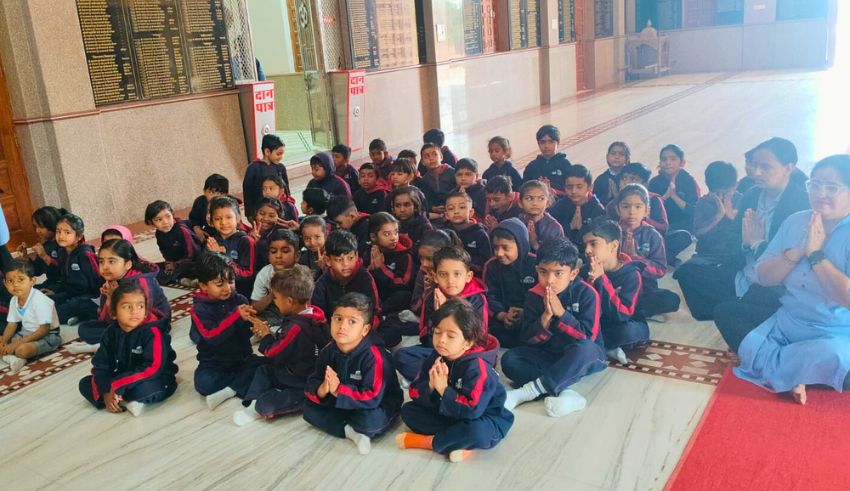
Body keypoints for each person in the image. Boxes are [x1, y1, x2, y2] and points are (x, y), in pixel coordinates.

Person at [735, 154, 850, 405]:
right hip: (787, 323)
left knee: (837, 357)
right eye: (815, 185)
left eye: (831, 187)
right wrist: (795, 253)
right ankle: (800, 371)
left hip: (837, 334)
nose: (820, 193)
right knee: (726, 313)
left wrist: (816, 255)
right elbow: (763, 277)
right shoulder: (796, 221)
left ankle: (781, 368)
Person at [712, 138, 810, 347]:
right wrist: (745, 244)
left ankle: (765, 340)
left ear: (789, 168)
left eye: (766, 167)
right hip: (744, 270)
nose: (756, 173)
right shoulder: (752, 194)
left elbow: (790, 261)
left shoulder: (801, 205)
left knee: (726, 312)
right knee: (689, 273)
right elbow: (732, 237)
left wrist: (757, 243)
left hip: (775, 283)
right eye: (754, 165)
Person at [397, 299, 513, 463]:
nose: (441, 340)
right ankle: (459, 441)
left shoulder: (477, 368)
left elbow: (473, 410)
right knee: (408, 411)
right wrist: (430, 387)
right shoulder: (436, 357)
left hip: (483, 418)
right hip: (450, 414)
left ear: (468, 342)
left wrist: (444, 389)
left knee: (477, 432)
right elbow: (415, 391)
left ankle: (431, 442)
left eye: (451, 336)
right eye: (437, 332)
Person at [501, 238, 605, 418]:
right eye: (543, 272)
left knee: (587, 349)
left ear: (573, 273)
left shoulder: (587, 294)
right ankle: (566, 391)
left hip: (580, 354)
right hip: (550, 353)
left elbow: (588, 337)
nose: (549, 280)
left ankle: (527, 392)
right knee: (510, 360)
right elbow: (527, 338)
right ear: (537, 270)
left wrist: (561, 314)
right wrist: (546, 317)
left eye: (558, 273)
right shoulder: (534, 295)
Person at [303, 292, 403, 455]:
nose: (342, 326)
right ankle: (350, 432)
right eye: (338, 319)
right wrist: (323, 388)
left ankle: (345, 424)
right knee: (308, 410)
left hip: (377, 403)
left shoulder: (374, 356)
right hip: (343, 400)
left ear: (365, 329)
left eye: (352, 321)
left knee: (370, 421)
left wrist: (338, 390)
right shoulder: (328, 350)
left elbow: (373, 396)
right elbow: (313, 380)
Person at [234, 265, 331, 425]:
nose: (274, 301)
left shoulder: (296, 327)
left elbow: (272, 352)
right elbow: (287, 343)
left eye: (276, 298)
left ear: (290, 301)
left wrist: (266, 335)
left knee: (266, 404)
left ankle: (259, 406)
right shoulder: (314, 314)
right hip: (293, 370)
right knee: (264, 370)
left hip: (301, 382)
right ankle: (251, 405)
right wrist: (270, 333)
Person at [78, 280, 178, 417]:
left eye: (140, 306)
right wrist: (105, 391)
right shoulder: (111, 332)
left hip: (154, 377)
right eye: (126, 307)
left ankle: (121, 399)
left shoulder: (153, 332)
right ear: (113, 312)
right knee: (85, 384)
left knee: (145, 390)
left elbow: (152, 368)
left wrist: (118, 385)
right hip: (126, 374)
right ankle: (118, 399)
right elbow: (101, 365)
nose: (134, 311)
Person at [393, 247, 492, 382]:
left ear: (468, 276)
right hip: (441, 350)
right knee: (401, 356)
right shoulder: (432, 296)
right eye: (443, 274)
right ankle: (442, 378)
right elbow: (426, 337)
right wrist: (437, 316)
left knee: (478, 367)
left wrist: (447, 310)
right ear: (435, 277)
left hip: (466, 353)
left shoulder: (477, 299)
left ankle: (434, 378)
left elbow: (479, 338)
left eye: (457, 274)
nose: (450, 280)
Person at [190, 253, 266, 410]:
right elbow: (211, 337)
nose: (227, 288)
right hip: (214, 363)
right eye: (219, 284)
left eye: (231, 281)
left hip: (242, 359)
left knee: (269, 365)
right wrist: (236, 317)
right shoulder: (199, 309)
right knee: (203, 383)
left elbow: (245, 335)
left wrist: (255, 327)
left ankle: (230, 390)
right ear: (203, 286)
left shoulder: (240, 300)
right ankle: (240, 385)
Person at [70, 239, 171, 353]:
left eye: (111, 261)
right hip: (125, 323)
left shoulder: (141, 282)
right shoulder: (112, 280)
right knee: (84, 329)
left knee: (138, 332)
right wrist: (110, 298)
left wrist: (117, 298)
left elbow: (142, 316)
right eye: (101, 261)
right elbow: (106, 319)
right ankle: (119, 342)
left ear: (128, 264)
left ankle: (110, 345)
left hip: (151, 324)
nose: (105, 267)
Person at [673, 161, 741, 319]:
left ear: (735, 186)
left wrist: (730, 215)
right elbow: (698, 233)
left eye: (726, 192)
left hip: (732, 254)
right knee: (683, 272)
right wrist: (719, 215)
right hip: (708, 254)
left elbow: (744, 233)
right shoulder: (704, 203)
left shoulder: (742, 200)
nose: (721, 197)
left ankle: (726, 304)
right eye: (717, 193)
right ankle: (704, 312)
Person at [582, 218, 647, 364]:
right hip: (599, 323)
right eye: (585, 245)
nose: (587, 250)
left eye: (593, 244)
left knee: (628, 332)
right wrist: (590, 284)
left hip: (624, 322)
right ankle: (604, 346)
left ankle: (600, 345)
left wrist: (601, 280)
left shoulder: (631, 274)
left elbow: (622, 315)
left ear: (613, 245)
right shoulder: (585, 270)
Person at [615, 184, 680, 319]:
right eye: (625, 206)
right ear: (618, 209)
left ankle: (626, 311)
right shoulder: (611, 232)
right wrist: (621, 259)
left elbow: (661, 270)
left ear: (646, 211)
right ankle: (630, 311)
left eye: (638, 207)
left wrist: (635, 258)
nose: (631, 212)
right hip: (617, 285)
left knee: (671, 300)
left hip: (645, 288)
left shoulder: (652, 235)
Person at [310, 229, 381, 328]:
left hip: (360, 330)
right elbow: (317, 316)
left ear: (356, 256)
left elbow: (374, 312)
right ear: (328, 260)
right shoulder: (322, 284)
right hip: (334, 330)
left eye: (350, 258)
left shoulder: (365, 278)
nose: (346, 264)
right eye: (339, 260)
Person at [483, 218, 537, 348]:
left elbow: (540, 297)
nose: (499, 253)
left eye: (505, 248)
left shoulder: (536, 264)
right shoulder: (492, 266)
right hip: (502, 319)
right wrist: (502, 315)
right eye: (496, 247)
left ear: (521, 245)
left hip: (530, 318)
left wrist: (525, 313)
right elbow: (489, 296)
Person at [1, 260, 61, 373]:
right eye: (10, 281)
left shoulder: (39, 300)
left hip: (48, 335)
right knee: (4, 344)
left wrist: (17, 343)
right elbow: (12, 324)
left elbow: (44, 330)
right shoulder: (14, 300)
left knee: (21, 350)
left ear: (32, 281)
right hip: (26, 333)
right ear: (5, 283)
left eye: (20, 280)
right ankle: (16, 359)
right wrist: (4, 342)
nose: (15, 285)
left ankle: (17, 358)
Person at [648, 144, 699, 264]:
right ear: (660, 162)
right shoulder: (654, 182)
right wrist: (665, 196)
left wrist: (674, 196)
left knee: (684, 237)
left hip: (681, 225)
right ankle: (666, 257)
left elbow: (694, 211)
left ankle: (661, 256)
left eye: (673, 159)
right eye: (664, 159)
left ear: (682, 162)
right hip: (660, 225)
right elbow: (649, 209)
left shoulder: (689, 181)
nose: (668, 162)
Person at [49, 213, 102, 325]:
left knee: (56, 314)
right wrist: (55, 291)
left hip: (89, 297)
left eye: (67, 232)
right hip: (71, 294)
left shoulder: (85, 254)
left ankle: (84, 313)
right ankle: (78, 314)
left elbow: (97, 282)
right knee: (46, 303)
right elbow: (64, 280)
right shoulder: (62, 252)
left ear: (79, 236)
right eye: (58, 231)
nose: (61, 236)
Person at [205, 197, 256, 298]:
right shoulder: (213, 241)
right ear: (211, 221)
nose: (223, 222)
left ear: (237, 218)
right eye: (217, 219)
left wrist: (222, 256)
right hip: (218, 291)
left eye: (228, 217)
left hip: (242, 293)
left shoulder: (245, 241)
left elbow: (247, 275)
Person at [250, 229, 301, 326]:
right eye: (273, 251)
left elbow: (305, 310)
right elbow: (254, 308)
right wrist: (273, 294)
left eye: (285, 251)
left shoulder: (302, 276)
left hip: (295, 320)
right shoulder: (264, 274)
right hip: (271, 318)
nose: (278, 256)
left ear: (297, 256)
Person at [145, 200, 200, 286]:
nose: (165, 222)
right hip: (177, 263)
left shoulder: (182, 230)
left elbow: (193, 254)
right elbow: (165, 251)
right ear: (151, 223)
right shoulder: (159, 233)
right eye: (159, 220)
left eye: (168, 216)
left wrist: (175, 264)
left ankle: (184, 278)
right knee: (150, 268)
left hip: (193, 261)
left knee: (191, 268)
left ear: (173, 215)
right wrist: (169, 263)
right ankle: (180, 278)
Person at [549, 165, 605, 248]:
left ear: (590, 187)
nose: (574, 191)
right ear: (564, 187)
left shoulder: (598, 210)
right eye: (569, 187)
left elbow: (600, 240)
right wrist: (570, 227)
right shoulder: (559, 207)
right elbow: (550, 235)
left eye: (579, 187)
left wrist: (582, 230)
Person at [607, 163, 669, 234]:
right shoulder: (612, 204)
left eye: (633, 179)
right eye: (624, 178)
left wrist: (641, 217)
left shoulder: (654, 199)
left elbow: (663, 228)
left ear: (645, 184)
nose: (626, 182)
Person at [443, 191, 492, 275]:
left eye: (462, 207)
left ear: (471, 212)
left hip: (473, 275)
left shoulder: (480, 234)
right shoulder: (445, 233)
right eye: (451, 208)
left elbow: (486, 262)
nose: (456, 211)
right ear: (446, 215)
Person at [18, 206, 66, 292]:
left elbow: (62, 274)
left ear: (52, 225)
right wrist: (25, 256)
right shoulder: (46, 245)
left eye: (41, 227)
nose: (37, 231)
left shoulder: (64, 245)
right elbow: (37, 271)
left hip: (64, 285)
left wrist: (45, 256)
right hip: (51, 283)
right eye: (36, 227)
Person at [243, 134, 288, 218]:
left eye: (282, 154)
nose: (281, 157)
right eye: (278, 154)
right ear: (267, 152)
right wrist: (249, 214)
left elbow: (286, 190)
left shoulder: (280, 167)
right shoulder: (253, 168)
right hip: (259, 211)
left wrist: (288, 205)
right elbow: (247, 192)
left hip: (277, 210)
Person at [522, 125, 571, 198]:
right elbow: (524, 190)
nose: (546, 146)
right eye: (542, 142)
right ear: (538, 144)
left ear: (558, 143)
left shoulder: (565, 164)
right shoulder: (532, 166)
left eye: (551, 142)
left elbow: (571, 190)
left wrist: (552, 190)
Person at [518, 180, 564, 252]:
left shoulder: (554, 228)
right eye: (529, 198)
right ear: (520, 203)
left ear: (547, 203)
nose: (535, 203)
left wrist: (534, 244)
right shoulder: (516, 223)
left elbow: (556, 256)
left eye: (541, 198)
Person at [419, 143, 456, 220]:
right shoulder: (424, 180)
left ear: (441, 157)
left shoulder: (453, 173)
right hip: (437, 214)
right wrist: (433, 208)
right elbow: (426, 199)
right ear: (422, 162)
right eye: (427, 156)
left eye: (435, 154)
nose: (431, 158)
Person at [189, 174, 229, 241]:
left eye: (221, 193)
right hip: (206, 233)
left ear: (226, 194)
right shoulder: (199, 202)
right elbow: (193, 219)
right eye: (212, 192)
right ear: (204, 191)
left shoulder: (230, 205)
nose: (216, 196)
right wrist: (197, 229)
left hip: (225, 233)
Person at [594, 141, 631, 206]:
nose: (617, 157)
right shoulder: (600, 179)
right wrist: (608, 198)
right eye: (613, 153)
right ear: (607, 157)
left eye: (621, 154)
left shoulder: (631, 178)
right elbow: (594, 202)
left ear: (627, 158)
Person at [298, 216, 328, 280]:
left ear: (325, 235)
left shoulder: (334, 254)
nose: (312, 242)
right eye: (307, 238)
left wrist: (324, 269)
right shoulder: (304, 258)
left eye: (317, 237)